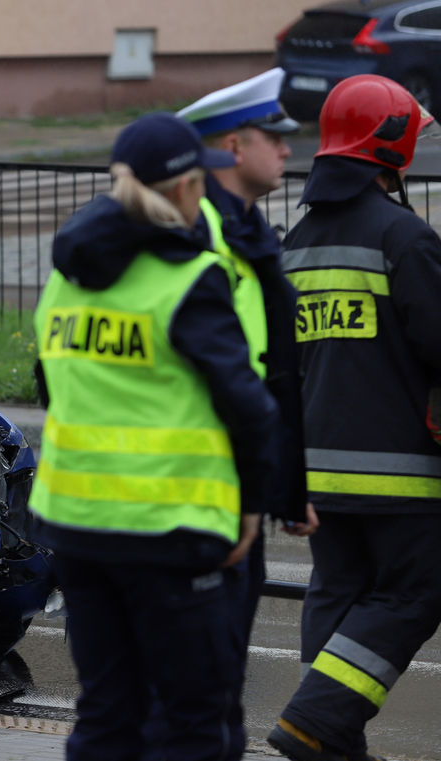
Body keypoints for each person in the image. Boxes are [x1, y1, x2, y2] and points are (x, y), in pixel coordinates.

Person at [29, 111, 281, 761]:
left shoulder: (65, 278)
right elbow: (250, 408)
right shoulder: (188, 279)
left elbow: (52, 387)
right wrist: (251, 507)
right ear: (186, 188)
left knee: (107, 716)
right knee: (196, 722)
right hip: (169, 531)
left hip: (76, 527)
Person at [266, 74, 441, 761]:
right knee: (413, 592)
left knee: (339, 589)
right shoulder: (404, 237)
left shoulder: (296, 244)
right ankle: (316, 718)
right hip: (402, 473)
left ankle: (335, 739)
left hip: (318, 471)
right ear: (390, 148)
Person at [162, 67, 319, 753]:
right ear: (231, 145)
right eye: (274, 137)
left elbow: (275, 371)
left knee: (221, 682)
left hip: (240, 493)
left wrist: (289, 487)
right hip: (197, 496)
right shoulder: (201, 240)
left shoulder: (252, 234)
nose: (289, 150)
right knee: (194, 691)